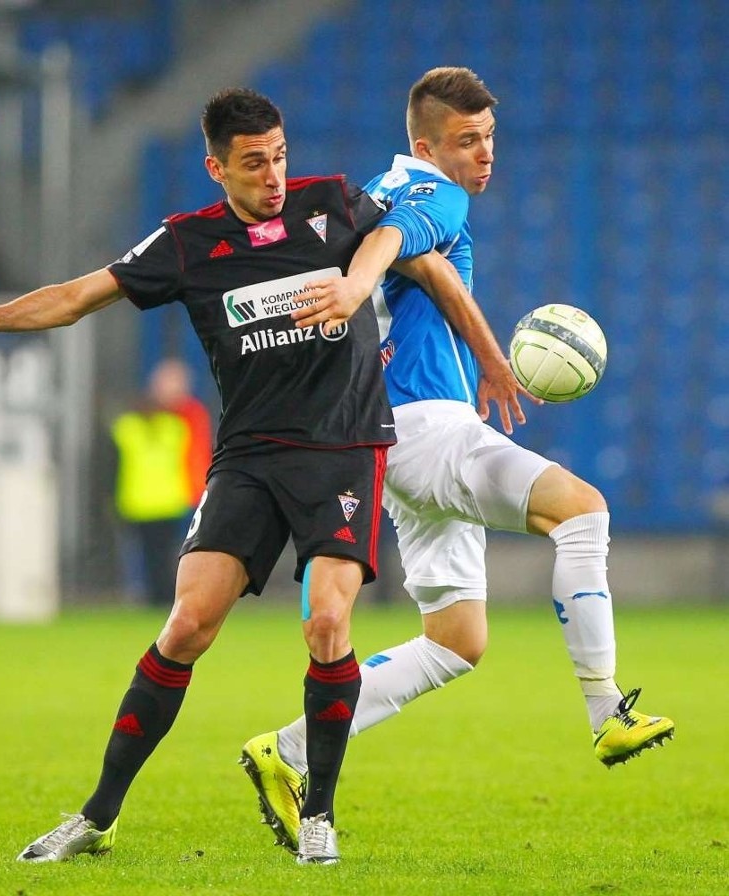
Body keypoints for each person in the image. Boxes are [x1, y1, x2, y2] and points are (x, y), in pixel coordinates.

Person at [0, 87, 399, 866]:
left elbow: (405, 236)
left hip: (341, 445)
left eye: (280, 156)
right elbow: (73, 299)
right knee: (187, 624)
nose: (273, 175)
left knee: (327, 622)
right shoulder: (188, 243)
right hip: (251, 454)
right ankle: (97, 816)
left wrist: (366, 286)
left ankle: (319, 812)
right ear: (216, 168)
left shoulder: (334, 204)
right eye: (254, 164)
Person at [238, 66, 675, 854]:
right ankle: (607, 709)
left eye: (489, 139)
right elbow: (404, 245)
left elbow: (416, 262)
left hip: (386, 437)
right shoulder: (434, 194)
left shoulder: (371, 191)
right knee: (585, 511)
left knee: (455, 640)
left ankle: (288, 749)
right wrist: (486, 360)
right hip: (430, 425)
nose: (484, 155)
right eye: (468, 140)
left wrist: (462, 339)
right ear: (426, 145)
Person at [110, 358, 212, 606]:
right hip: (150, 501)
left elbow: (199, 455)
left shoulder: (188, 418)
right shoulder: (143, 424)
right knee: (151, 554)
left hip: (182, 497)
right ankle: (150, 595)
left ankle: (175, 597)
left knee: (175, 553)